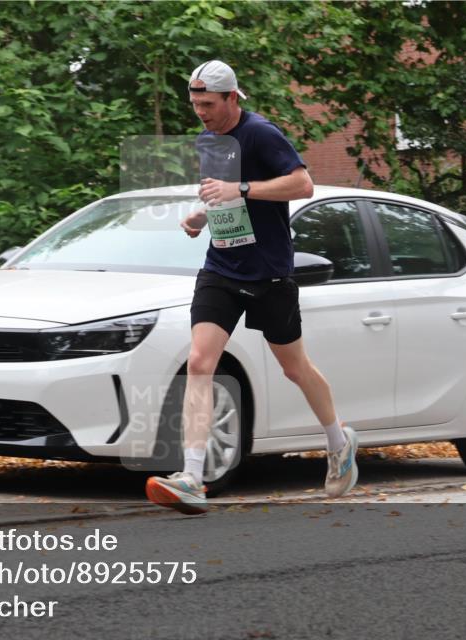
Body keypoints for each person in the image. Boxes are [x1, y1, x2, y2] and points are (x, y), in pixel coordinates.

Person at [145, 60, 359, 515]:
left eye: (208, 104)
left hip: (269, 272)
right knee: (201, 362)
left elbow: (303, 184)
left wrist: (240, 189)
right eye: (195, 104)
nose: (200, 112)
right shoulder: (209, 140)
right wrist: (202, 215)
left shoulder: (262, 133)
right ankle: (192, 476)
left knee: (295, 368)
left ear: (232, 98)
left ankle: (339, 441)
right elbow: (220, 194)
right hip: (222, 266)